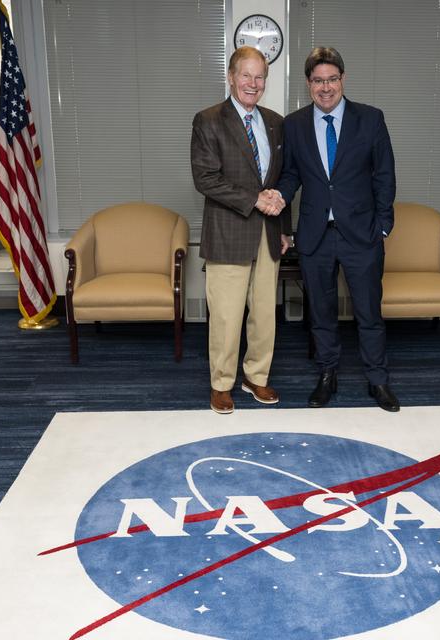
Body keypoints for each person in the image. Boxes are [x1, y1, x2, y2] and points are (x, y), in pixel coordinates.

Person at [276, 47, 400, 412]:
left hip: (362, 234)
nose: (325, 87)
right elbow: (291, 175)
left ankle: (378, 379)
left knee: (368, 312)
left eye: (332, 79)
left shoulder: (371, 119)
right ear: (308, 84)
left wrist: (383, 226)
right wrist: (278, 198)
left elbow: (384, 174)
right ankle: (327, 375)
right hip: (315, 236)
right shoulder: (294, 124)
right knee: (321, 312)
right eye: (318, 81)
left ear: (343, 79)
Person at [191, 46, 291, 415]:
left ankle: (256, 376)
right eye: (245, 75)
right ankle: (221, 383)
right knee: (227, 316)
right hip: (228, 232)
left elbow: (281, 180)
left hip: (269, 234)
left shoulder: (276, 122)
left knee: (264, 314)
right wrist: (255, 200)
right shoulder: (208, 120)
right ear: (231, 77)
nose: (253, 82)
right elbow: (205, 179)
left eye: (259, 76)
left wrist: (285, 228)